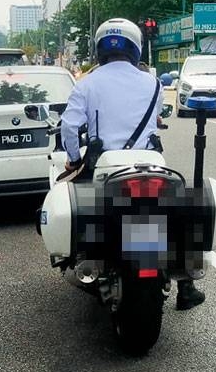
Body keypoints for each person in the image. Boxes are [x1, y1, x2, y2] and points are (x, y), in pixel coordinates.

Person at [61, 19, 204, 311]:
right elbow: (151, 117)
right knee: (176, 210)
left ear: (100, 49)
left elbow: (68, 128)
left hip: (107, 166)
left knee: (84, 206)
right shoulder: (152, 83)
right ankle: (186, 284)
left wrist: (74, 158)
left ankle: (84, 257)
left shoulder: (87, 84)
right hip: (149, 164)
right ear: (136, 47)